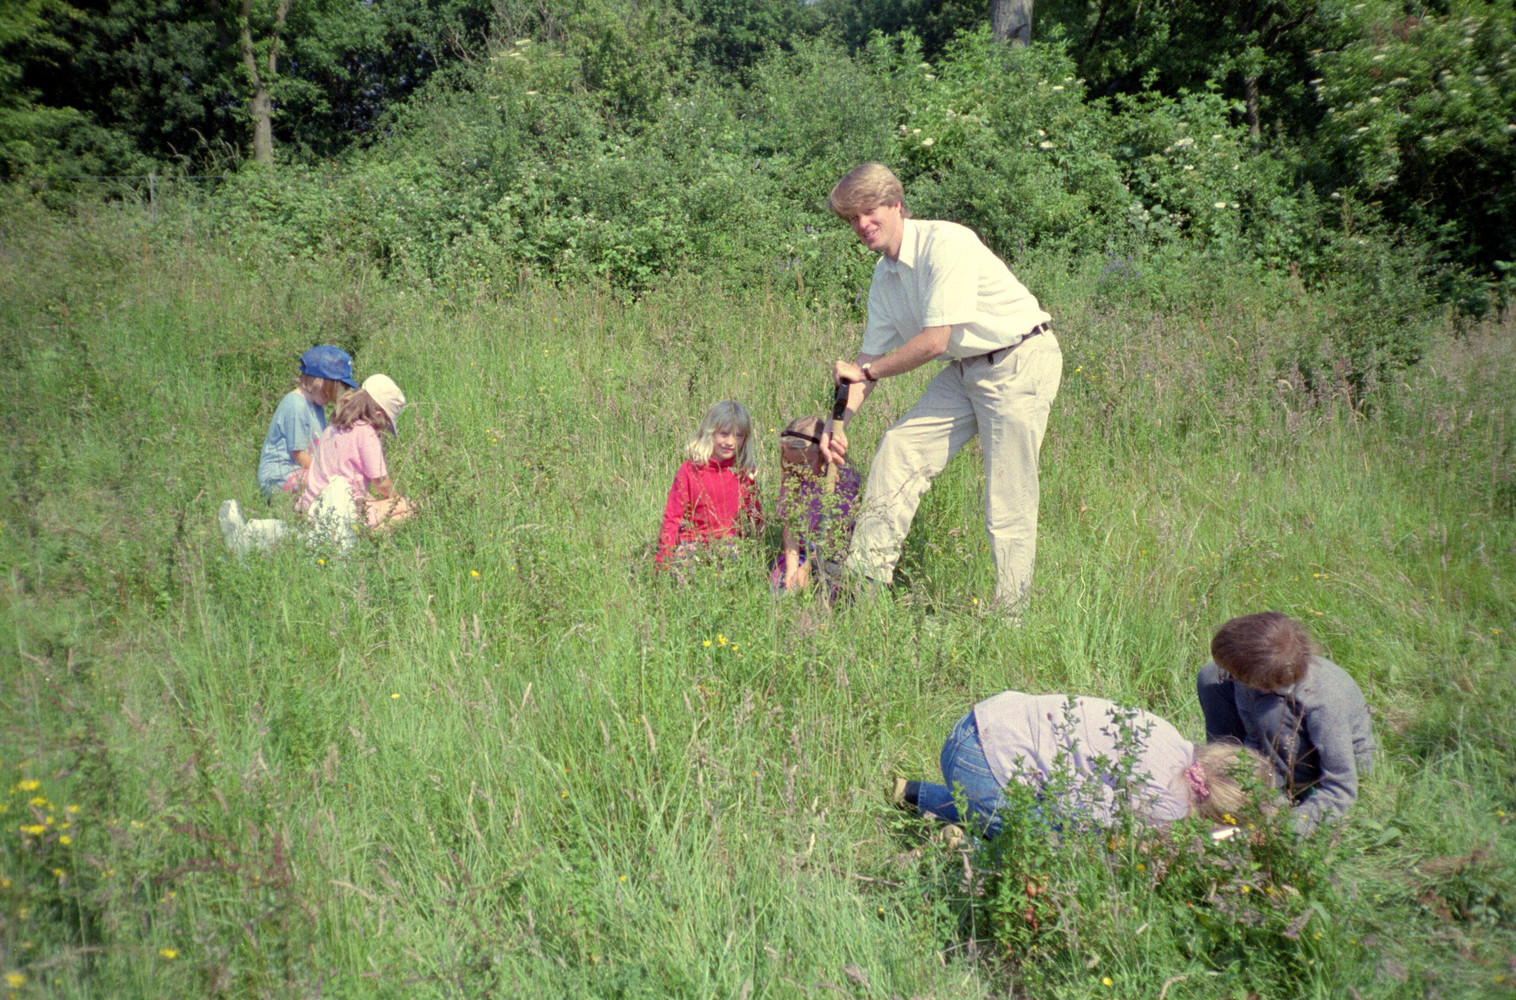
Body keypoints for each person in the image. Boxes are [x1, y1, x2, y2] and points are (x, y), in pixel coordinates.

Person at [820, 163, 1062, 612]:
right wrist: (838, 426)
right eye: (852, 218)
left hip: (1018, 359)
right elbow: (865, 362)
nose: (862, 224)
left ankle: (1011, 616)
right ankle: (865, 583)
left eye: (870, 211)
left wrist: (868, 374)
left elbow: (934, 341)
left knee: (1006, 496)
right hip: (967, 367)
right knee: (899, 448)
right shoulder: (885, 276)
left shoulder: (946, 243)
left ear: (896, 204)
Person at [892, 691, 1268, 840]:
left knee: (1023, 804)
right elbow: (1089, 823)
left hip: (974, 728)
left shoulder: (1172, 737)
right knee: (1065, 846)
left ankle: (912, 793)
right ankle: (967, 849)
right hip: (982, 766)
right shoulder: (1171, 804)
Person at [1196, 612, 1376, 835]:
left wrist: (1283, 827)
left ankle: (1268, 800)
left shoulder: (1324, 701)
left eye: (1234, 676)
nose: (1229, 678)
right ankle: (1226, 776)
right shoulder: (1260, 680)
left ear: (1261, 684)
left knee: (1271, 715)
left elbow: (1341, 787)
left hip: (1330, 767)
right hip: (1276, 741)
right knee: (1211, 677)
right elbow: (1255, 738)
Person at [296, 373, 415, 539]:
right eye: (386, 422)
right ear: (379, 413)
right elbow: (381, 483)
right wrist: (396, 498)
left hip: (311, 505)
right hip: (343, 511)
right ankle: (368, 539)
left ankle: (360, 536)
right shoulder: (366, 434)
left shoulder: (334, 426)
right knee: (411, 507)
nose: (383, 428)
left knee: (374, 502)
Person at [656, 400, 762, 567]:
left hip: (730, 542)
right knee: (684, 567)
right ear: (710, 433)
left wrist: (759, 548)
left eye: (738, 435)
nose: (730, 442)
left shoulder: (744, 471)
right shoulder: (690, 470)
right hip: (693, 542)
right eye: (724, 434)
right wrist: (663, 560)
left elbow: (755, 517)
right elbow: (672, 517)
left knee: (732, 561)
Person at [771, 416, 862, 591]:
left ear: (823, 454)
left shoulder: (842, 481)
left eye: (803, 463)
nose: (796, 469)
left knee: (827, 587)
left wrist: (808, 567)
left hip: (833, 550)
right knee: (781, 584)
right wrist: (791, 569)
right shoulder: (793, 479)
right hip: (802, 549)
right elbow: (791, 527)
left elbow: (837, 534)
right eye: (790, 462)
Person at [256, 345, 358, 499]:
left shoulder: (318, 409)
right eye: (336, 389)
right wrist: (326, 473)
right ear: (321, 383)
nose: (335, 396)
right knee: (329, 484)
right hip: (278, 475)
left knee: (341, 484)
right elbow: (298, 455)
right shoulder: (295, 403)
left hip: (302, 472)